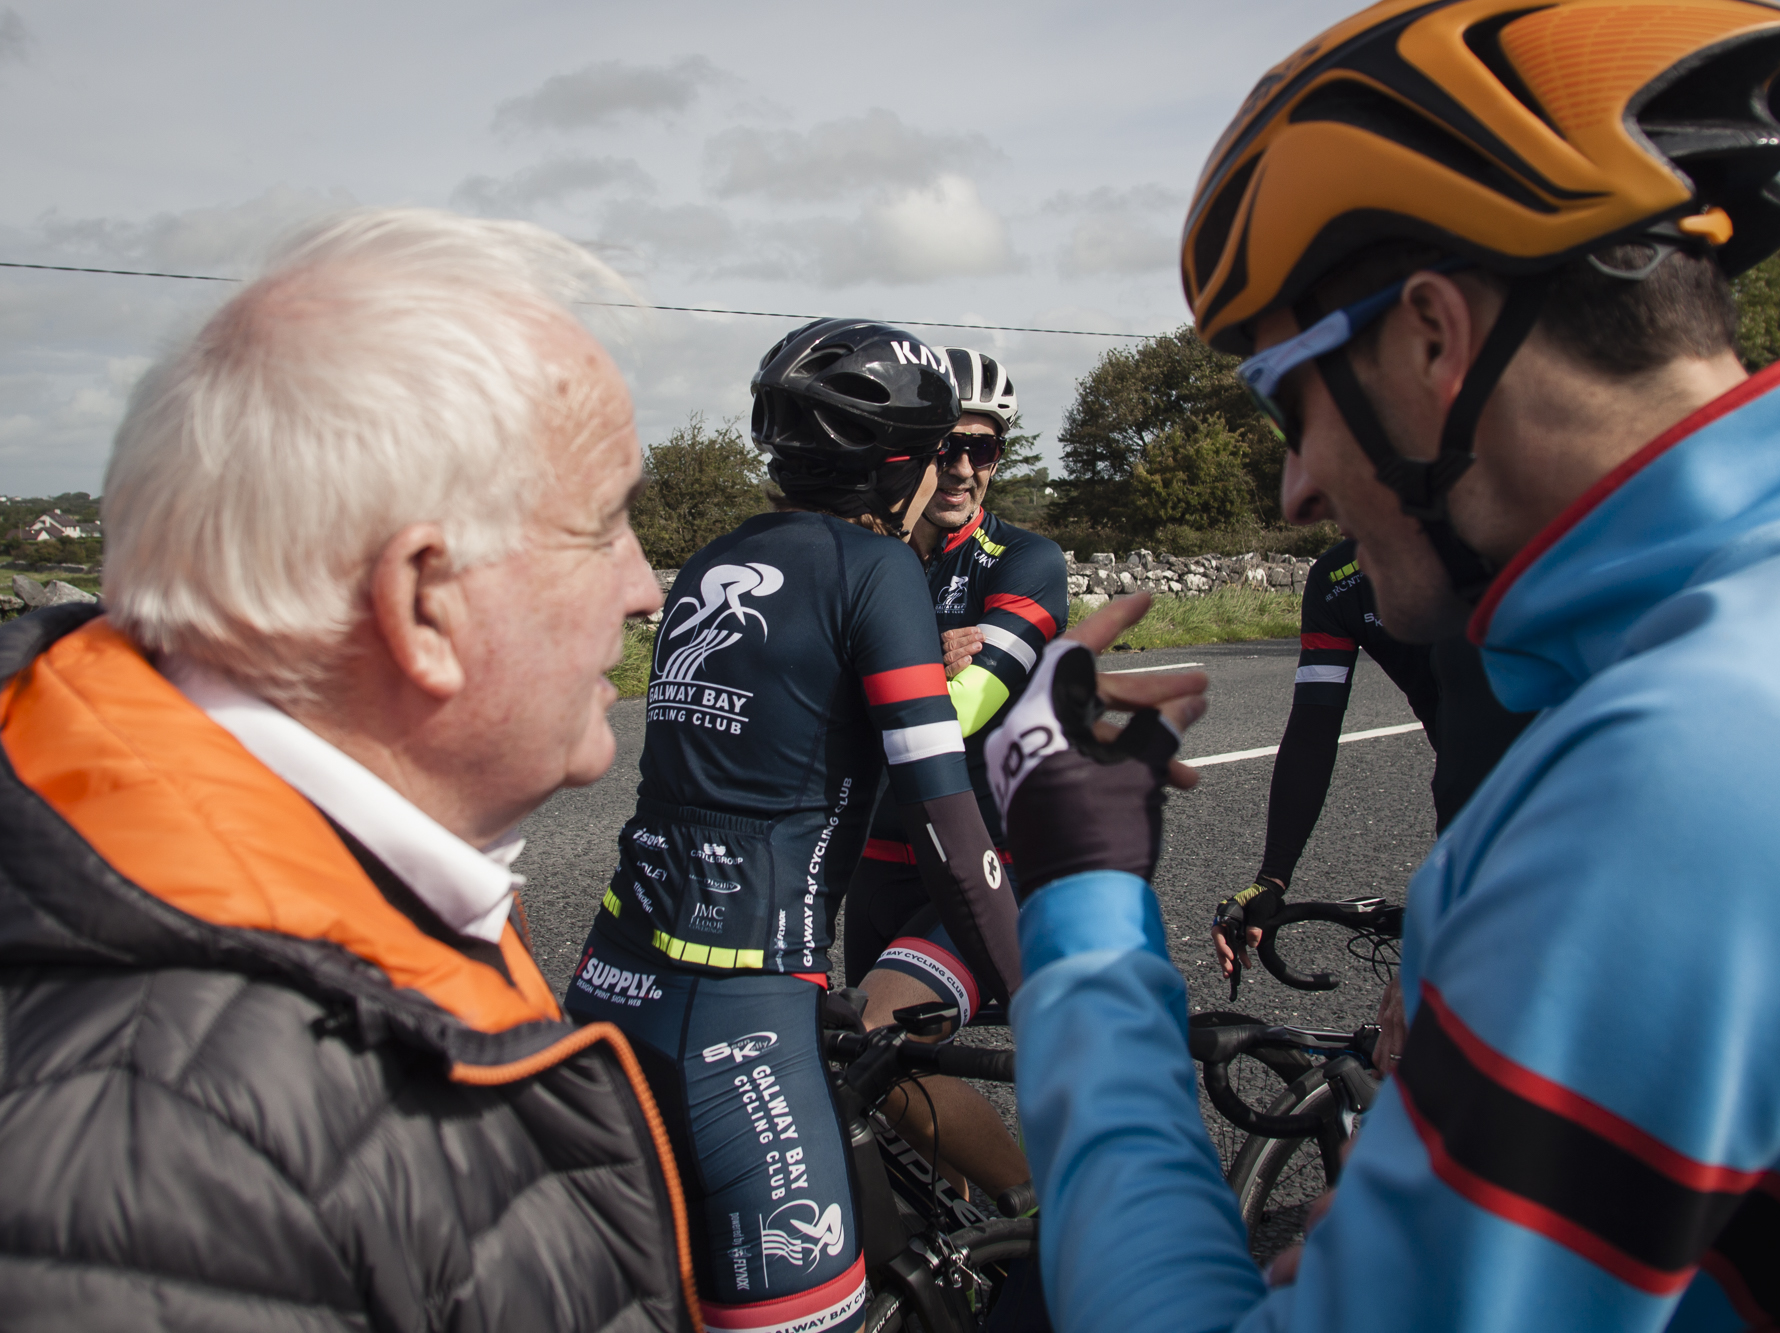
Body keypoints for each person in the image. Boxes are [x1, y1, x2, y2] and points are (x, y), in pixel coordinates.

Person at [998, 2, 1780, 1329]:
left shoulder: (1687, 776)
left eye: (1284, 401)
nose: (1296, 487)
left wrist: (1082, 912)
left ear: (1432, 336)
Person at [0, 209, 697, 1327]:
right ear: (424, 602)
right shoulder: (160, 1152)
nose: (644, 587)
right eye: (604, 523)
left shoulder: (313, 889)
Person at [564, 319, 1020, 1333]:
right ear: (902, 462)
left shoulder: (715, 561)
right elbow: (944, 813)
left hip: (607, 984)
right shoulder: (877, 568)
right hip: (739, 1014)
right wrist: (1044, 1000)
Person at [843, 347, 1066, 1204]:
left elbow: (963, 707)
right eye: (949, 446)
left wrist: (884, 668)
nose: (968, 468)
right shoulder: (869, 560)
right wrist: (914, 657)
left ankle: (1042, 1231)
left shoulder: (1024, 558)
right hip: (880, 866)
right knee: (892, 1093)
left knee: (875, 1045)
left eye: (988, 448)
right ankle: (967, 1267)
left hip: (985, 864)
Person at [1212, 539, 1535, 1045]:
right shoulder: (1338, 579)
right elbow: (1313, 728)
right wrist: (1272, 878)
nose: (1299, 497)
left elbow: (1479, 766)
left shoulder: (1488, 540)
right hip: (1472, 799)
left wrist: (1439, 946)